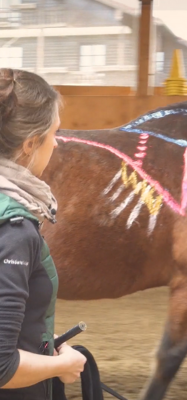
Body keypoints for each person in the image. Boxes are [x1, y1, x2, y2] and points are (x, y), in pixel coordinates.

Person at [0, 68, 86, 400]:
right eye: (54, 133)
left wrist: (41, 349)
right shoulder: (14, 231)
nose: (57, 142)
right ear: (31, 143)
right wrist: (64, 366)